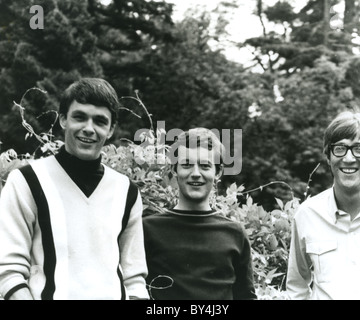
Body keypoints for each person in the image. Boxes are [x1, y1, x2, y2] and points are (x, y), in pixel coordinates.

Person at [0, 78, 149, 300]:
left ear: (111, 129)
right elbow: (8, 272)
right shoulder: (26, 181)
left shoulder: (126, 192)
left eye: (100, 121)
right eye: (79, 117)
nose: (89, 129)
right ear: (62, 119)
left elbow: (133, 278)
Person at [143, 128, 256, 300]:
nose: (195, 174)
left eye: (205, 166)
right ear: (174, 169)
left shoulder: (234, 233)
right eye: (187, 165)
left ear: (218, 172)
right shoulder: (148, 229)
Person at [286, 111, 360, 300]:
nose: (349, 158)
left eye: (359, 149)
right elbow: (296, 285)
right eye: (340, 148)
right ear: (328, 157)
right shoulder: (307, 214)